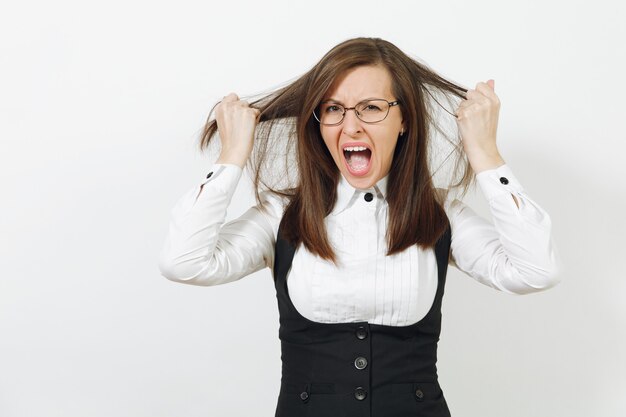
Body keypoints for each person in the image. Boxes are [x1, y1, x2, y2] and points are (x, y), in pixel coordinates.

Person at [158, 37, 561, 417]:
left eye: (370, 107)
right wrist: (231, 157)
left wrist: (486, 154)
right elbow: (183, 262)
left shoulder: (438, 213)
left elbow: (535, 271)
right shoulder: (281, 214)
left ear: (404, 120)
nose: (350, 127)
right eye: (333, 109)